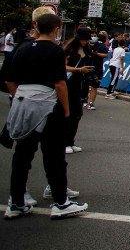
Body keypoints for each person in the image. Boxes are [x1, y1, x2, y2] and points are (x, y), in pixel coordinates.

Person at [5, 12, 89, 220]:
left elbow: (9, 79)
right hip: (48, 104)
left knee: (22, 154)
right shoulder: (54, 50)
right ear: (55, 29)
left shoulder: (23, 47)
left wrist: (21, 97)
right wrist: (66, 110)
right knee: (53, 154)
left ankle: (16, 201)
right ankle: (60, 202)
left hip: (24, 102)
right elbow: (60, 83)